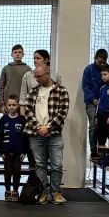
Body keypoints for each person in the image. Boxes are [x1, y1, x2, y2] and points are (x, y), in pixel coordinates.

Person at [24, 64, 70, 205]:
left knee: (57, 165)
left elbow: (63, 112)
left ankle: (56, 193)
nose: (37, 79)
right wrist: (39, 127)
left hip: (54, 134)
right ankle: (43, 192)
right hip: (35, 133)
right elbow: (28, 112)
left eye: (39, 76)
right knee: (40, 165)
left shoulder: (61, 91)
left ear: (47, 74)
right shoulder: (32, 92)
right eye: (35, 77)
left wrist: (48, 127)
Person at [0, 95, 26, 202]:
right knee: (7, 172)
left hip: (18, 152)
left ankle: (15, 190)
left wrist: (24, 151)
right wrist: (1, 151)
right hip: (6, 151)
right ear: (6, 106)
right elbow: (0, 136)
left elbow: (25, 137)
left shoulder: (22, 119)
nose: (12, 107)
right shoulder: (3, 119)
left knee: (17, 172)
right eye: (9, 105)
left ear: (18, 106)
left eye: (14, 105)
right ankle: (8, 190)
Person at [81, 49, 108, 152]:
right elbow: (85, 86)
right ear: (95, 58)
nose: (102, 64)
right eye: (100, 62)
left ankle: (101, 149)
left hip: (105, 103)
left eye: (104, 62)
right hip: (92, 103)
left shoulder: (108, 69)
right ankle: (93, 151)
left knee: (104, 127)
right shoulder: (88, 70)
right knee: (93, 126)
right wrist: (93, 99)